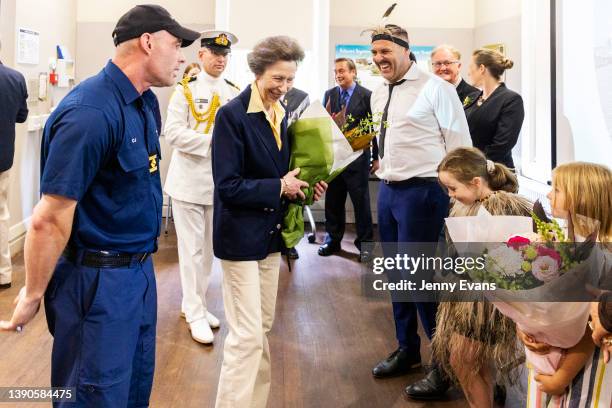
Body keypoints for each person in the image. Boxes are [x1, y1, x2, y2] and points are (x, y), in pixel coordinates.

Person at [0, 5, 199, 407]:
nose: (182, 57)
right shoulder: (90, 113)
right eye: (176, 45)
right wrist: (33, 294)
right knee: (91, 395)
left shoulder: (144, 104)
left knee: (132, 388)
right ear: (147, 42)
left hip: (138, 273)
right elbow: (49, 219)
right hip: (97, 282)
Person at [211, 35, 327, 408]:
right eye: (277, 79)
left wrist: (306, 188)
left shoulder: (282, 113)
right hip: (240, 238)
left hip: (269, 238)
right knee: (246, 336)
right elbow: (228, 186)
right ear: (257, 72)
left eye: (290, 80)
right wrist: (280, 185)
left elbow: (286, 175)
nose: (284, 87)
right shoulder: (231, 115)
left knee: (260, 330)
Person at [367, 23, 471, 399]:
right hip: (389, 193)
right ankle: (407, 349)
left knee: (422, 282)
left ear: (405, 50)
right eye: (374, 53)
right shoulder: (378, 91)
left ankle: (443, 366)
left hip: (424, 194)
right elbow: (382, 136)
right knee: (396, 277)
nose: (379, 59)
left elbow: (460, 147)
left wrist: (460, 199)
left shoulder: (438, 89)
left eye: (385, 52)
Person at [428, 147, 531, 407]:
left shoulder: (503, 208)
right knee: (470, 362)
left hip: (485, 301)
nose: (450, 195)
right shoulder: (466, 206)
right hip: (466, 294)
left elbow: (517, 259)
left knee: (463, 359)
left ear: (475, 182)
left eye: (452, 188)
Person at [164, 30, 240, 344]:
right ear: (202, 55)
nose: (220, 59)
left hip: (218, 184)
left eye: (225, 55)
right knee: (191, 251)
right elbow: (173, 133)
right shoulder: (185, 90)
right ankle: (194, 313)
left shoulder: (235, 92)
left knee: (208, 252)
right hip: (188, 183)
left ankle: (194, 304)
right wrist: (215, 143)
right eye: (214, 53)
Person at [518, 162, 612, 405]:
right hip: (551, 359)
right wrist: (527, 328)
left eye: (557, 189)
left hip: (584, 367)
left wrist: (561, 377)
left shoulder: (601, 254)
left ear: (582, 197)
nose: (549, 194)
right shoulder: (564, 245)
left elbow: (592, 326)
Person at [319, 57, 376, 263]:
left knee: (361, 205)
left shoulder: (367, 95)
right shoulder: (330, 94)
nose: (338, 75)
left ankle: (365, 246)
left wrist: (376, 157)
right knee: (333, 202)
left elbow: (374, 128)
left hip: (357, 160)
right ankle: (332, 240)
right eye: (336, 71)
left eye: (342, 70)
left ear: (353, 72)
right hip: (335, 159)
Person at [464, 48, 524, 170]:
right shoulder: (472, 97)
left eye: (470, 67)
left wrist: (474, 165)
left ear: (481, 68)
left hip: (495, 171)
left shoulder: (511, 99)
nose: (468, 72)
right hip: (469, 168)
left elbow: (503, 144)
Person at [0, 40, 29, 290]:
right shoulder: (15, 78)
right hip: (2, 159)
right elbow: (22, 116)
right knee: (1, 216)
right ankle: (3, 274)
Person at [281, 85, 310, 260]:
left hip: (295, 155)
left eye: (290, 78)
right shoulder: (269, 91)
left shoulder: (302, 97)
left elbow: (307, 128)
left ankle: (290, 242)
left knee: (293, 202)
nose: (286, 82)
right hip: (275, 154)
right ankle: (276, 240)